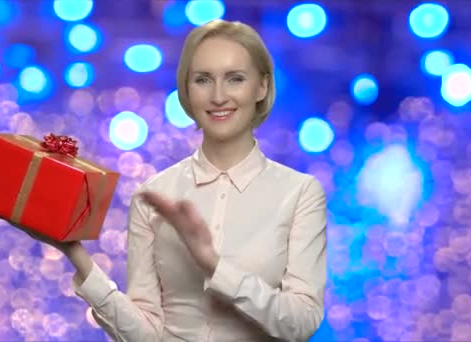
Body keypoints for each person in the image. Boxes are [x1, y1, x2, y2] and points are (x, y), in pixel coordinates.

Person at [19, 19, 327, 341]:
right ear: (187, 89)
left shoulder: (300, 193)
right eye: (203, 80)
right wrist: (75, 254)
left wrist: (213, 265)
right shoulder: (153, 194)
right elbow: (146, 334)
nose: (218, 96)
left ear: (261, 87)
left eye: (235, 79)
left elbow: (301, 323)